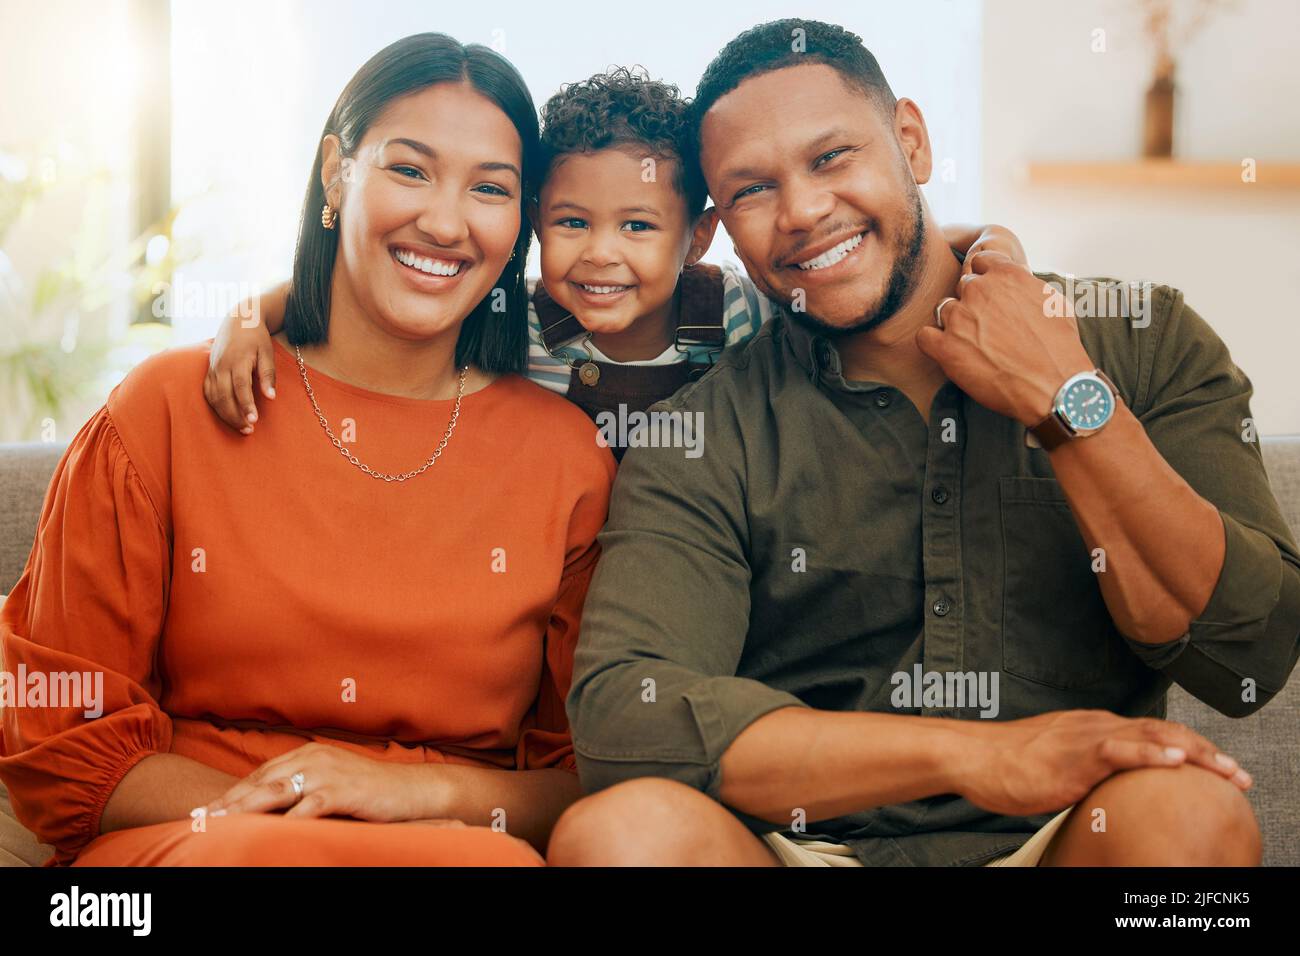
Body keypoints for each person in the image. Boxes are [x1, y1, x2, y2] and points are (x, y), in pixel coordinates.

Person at [549, 19, 1300, 867]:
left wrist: (1064, 404)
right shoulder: (707, 425)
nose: (802, 211)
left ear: (910, 140)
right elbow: (626, 721)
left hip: (1072, 844)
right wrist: (977, 757)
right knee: (619, 836)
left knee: (1192, 815)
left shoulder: (1145, 339)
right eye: (753, 190)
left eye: (831, 158)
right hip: (805, 852)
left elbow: (1250, 654)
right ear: (721, 227)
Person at [0, 33, 613, 866]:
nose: (444, 220)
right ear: (337, 172)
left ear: (520, 224)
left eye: (491, 190)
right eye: (409, 169)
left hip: (454, 847)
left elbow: (585, 775)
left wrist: (404, 798)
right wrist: (298, 815)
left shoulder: (567, 459)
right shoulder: (170, 410)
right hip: (198, 838)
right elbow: (62, 738)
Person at [203, 68, 1025, 460]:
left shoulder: (737, 312)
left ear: (696, 239)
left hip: (686, 559)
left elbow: (879, 271)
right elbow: (365, 299)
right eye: (570, 222)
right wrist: (253, 316)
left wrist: (996, 252)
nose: (602, 254)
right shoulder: (512, 320)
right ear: (532, 223)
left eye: (637, 225)